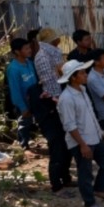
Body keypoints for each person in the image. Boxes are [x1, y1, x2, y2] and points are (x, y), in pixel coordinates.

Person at [57, 60, 104, 207]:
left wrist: (100, 131)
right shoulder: (66, 98)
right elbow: (70, 125)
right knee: (85, 172)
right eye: (82, 73)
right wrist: (82, 145)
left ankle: (99, 189)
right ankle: (89, 202)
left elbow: (90, 113)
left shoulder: (82, 90)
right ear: (73, 77)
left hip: (94, 136)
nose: (86, 75)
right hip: (82, 141)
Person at [33, 27, 74, 193]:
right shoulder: (50, 53)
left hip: (54, 102)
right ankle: (57, 184)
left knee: (64, 143)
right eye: (57, 38)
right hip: (54, 104)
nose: (59, 41)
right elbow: (61, 74)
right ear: (53, 40)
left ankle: (64, 178)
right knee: (58, 145)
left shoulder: (43, 53)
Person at [7, 38, 38, 150]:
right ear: (17, 51)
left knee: (32, 121)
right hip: (23, 102)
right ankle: (23, 145)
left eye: (29, 47)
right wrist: (23, 107)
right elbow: (15, 90)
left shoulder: (29, 63)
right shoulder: (13, 69)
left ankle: (30, 140)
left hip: (34, 99)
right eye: (26, 48)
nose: (30, 50)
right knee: (24, 123)